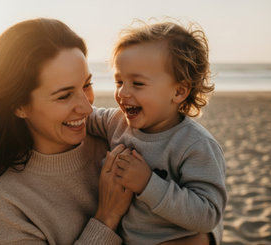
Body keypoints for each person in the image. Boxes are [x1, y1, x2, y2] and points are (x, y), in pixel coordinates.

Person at [0, 18, 134, 244]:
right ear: (19, 105)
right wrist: (107, 216)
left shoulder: (117, 138)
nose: (86, 107)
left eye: (86, 85)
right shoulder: (2, 199)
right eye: (64, 96)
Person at [87, 21, 227, 244]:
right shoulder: (116, 122)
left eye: (138, 83)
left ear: (179, 91)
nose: (122, 92)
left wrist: (148, 184)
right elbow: (84, 117)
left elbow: (208, 215)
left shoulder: (194, 145)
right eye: (119, 81)